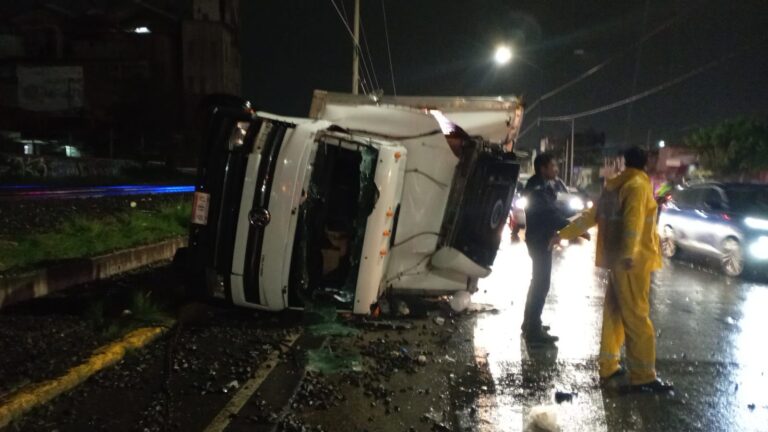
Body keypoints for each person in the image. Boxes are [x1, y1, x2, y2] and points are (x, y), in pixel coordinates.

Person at [552, 146, 673, 393]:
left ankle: (608, 365)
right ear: (646, 162)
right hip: (633, 263)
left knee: (614, 313)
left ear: (624, 163)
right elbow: (633, 223)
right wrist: (629, 254)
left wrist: (562, 234)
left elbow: (590, 216)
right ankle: (643, 376)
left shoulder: (613, 186)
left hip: (617, 261)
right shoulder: (639, 186)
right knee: (638, 316)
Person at [520, 152, 571, 344]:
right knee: (541, 284)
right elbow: (550, 215)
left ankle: (530, 323)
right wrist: (575, 229)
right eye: (554, 166)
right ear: (543, 168)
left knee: (537, 282)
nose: (556, 169)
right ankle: (533, 331)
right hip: (540, 240)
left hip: (539, 238)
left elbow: (554, 210)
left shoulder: (541, 186)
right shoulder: (537, 188)